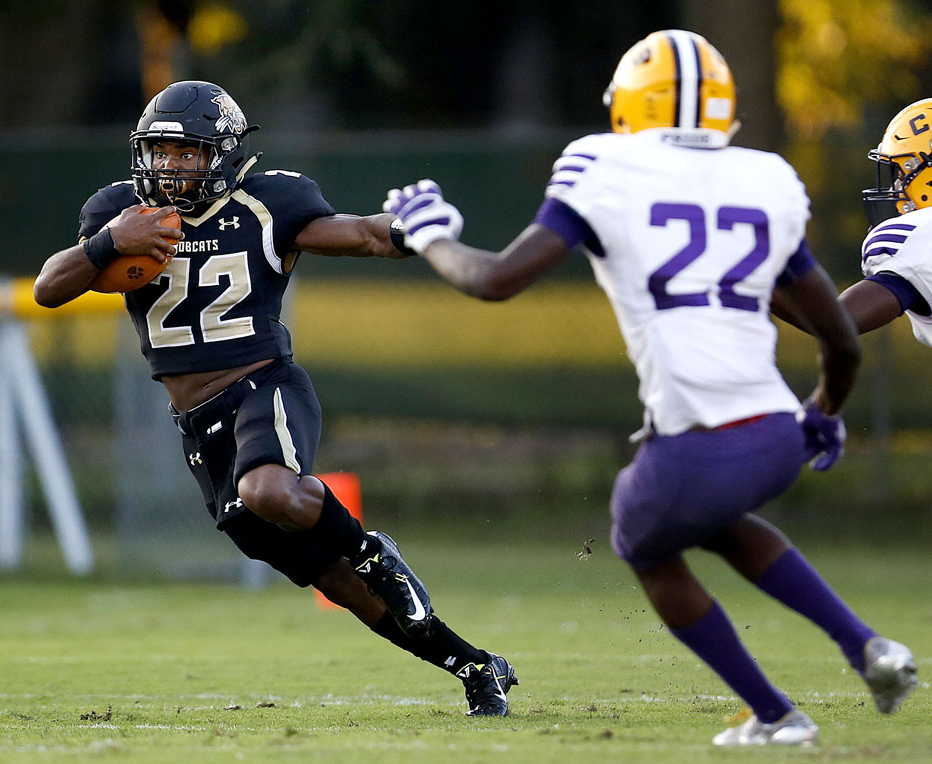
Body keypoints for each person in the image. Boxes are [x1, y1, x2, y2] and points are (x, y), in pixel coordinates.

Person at [383, 30, 917, 745]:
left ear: (630, 105)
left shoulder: (604, 165)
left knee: (640, 537)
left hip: (700, 437)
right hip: (775, 433)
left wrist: (429, 235)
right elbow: (842, 340)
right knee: (716, 524)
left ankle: (777, 715)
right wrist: (821, 415)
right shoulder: (763, 176)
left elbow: (494, 281)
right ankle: (867, 648)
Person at [33, 80, 517, 716]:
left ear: (225, 153)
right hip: (196, 422)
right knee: (336, 582)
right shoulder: (123, 214)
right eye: (160, 152)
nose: (171, 167)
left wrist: (413, 233)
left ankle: (373, 548)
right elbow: (48, 288)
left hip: (264, 385)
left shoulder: (269, 202)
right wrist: (108, 243)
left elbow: (360, 234)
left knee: (271, 490)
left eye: (188, 153)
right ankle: (475, 666)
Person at [775, 99, 932, 343]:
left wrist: (749, 270)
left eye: (902, 173)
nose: (896, 186)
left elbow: (838, 320)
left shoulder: (920, 237)